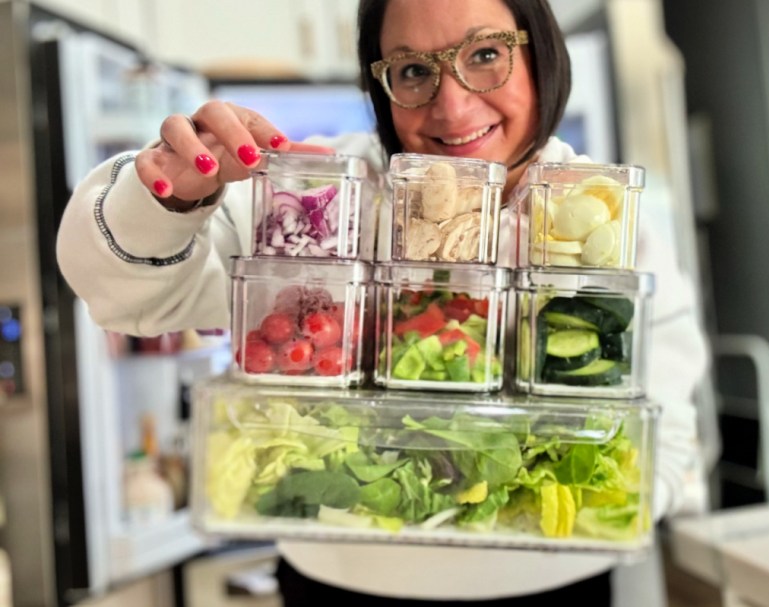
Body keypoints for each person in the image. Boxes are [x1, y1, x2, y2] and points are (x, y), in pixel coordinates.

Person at [56, 0, 709, 604]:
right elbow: (128, 294)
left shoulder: (603, 214)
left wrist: (570, 501)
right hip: (338, 589)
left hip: (557, 584)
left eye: (486, 54)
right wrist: (171, 195)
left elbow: (668, 424)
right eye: (414, 70)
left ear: (540, 52)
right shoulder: (321, 192)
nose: (452, 107)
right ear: (382, 85)